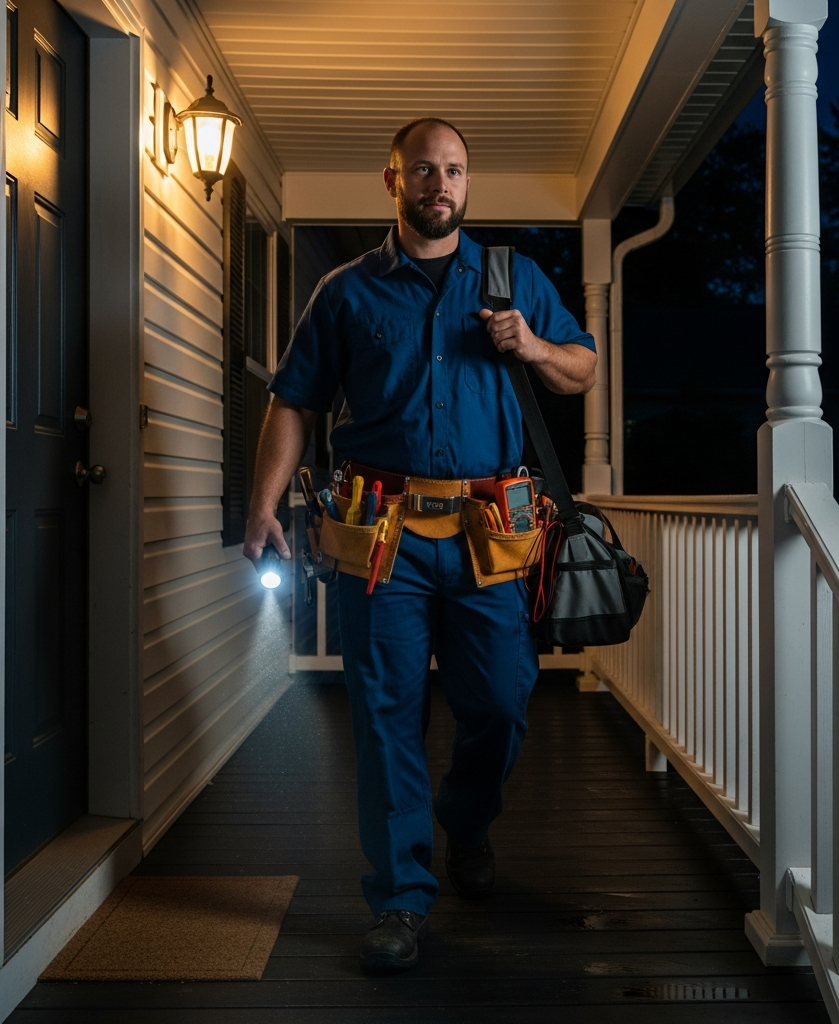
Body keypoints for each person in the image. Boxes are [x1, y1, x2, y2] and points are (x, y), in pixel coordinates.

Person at [242, 117, 597, 974]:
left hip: (491, 533)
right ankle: (401, 895)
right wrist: (261, 506)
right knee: (385, 716)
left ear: (468, 183)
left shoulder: (514, 279)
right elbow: (294, 401)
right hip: (381, 535)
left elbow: (582, 369)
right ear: (392, 180)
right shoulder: (346, 292)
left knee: (502, 704)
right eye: (425, 170)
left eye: (455, 170)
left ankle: (466, 823)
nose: (442, 183)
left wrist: (533, 344)